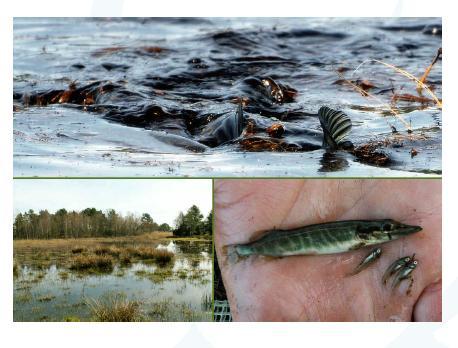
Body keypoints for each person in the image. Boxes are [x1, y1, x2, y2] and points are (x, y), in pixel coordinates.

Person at [214, 179, 441, 321]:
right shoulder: (359, 238)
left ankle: (241, 252)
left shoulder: (361, 239)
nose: (392, 231)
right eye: (387, 229)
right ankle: (240, 252)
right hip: (272, 244)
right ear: (367, 232)